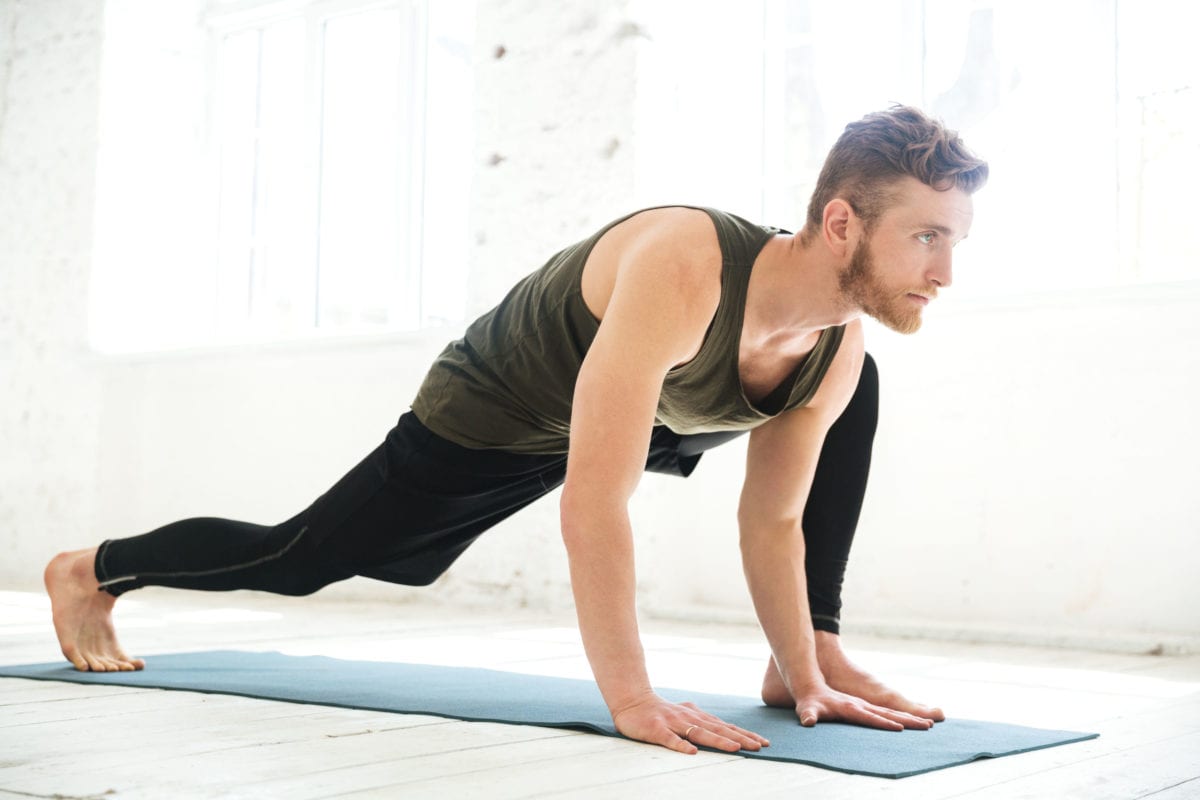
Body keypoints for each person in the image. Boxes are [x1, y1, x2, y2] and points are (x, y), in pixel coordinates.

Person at [44, 104, 987, 756]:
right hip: (498, 413)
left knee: (851, 388)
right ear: (838, 223)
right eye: (926, 237)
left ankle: (810, 658)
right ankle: (94, 569)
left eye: (956, 242)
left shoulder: (838, 345)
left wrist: (795, 665)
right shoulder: (684, 263)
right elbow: (594, 502)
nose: (944, 270)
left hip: (667, 407)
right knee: (308, 557)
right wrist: (630, 698)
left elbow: (774, 523)